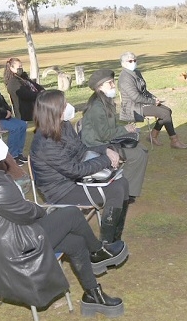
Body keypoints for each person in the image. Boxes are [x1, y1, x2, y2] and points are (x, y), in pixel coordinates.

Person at [0, 114, 126, 316]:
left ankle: (94, 294)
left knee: (75, 243)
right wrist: (45, 209)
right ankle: (98, 251)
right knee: (72, 213)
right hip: (14, 251)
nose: (0, 141)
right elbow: (25, 212)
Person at [30, 90, 132, 244]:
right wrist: (106, 159)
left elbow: (82, 149)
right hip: (61, 192)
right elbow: (75, 170)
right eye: (64, 105)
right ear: (54, 111)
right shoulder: (45, 143)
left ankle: (115, 237)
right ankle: (106, 244)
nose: (69, 106)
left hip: (73, 181)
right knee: (116, 190)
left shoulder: (63, 126)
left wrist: (106, 150)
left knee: (122, 182)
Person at [80, 69, 149, 203]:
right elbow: (104, 134)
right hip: (96, 146)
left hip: (103, 141)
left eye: (113, 82)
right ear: (99, 87)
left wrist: (127, 129)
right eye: (109, 83)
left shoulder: (105, 102)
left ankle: (127, 189)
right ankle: (125, 192)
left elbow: (110, 128)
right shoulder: (97, 107)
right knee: (137, 155)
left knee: (141, 149)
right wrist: (124, 129)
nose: (113, 85)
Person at [118, 51, 187, 149]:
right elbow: (135, 97)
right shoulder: (125, 77)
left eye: (134, 60)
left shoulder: (136, 72)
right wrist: (152, 102)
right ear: (123, 63)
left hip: (143, 102)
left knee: (167, 110)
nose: (133, 62)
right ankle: (174, 140)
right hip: (133, 107)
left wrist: (154, 98)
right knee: (164, 114)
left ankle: (153, 135)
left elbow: (144, 91)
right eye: (130, 61)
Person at [3, 57, 44, 121]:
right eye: (19, 66)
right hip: (26, 113)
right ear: (11, 68)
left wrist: (43, 92)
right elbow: (25, 95)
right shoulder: (13, 83)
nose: (21, 68)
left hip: (37, 108)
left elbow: (37, 86)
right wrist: (40, 94)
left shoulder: (24, 78)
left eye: (21, 66)